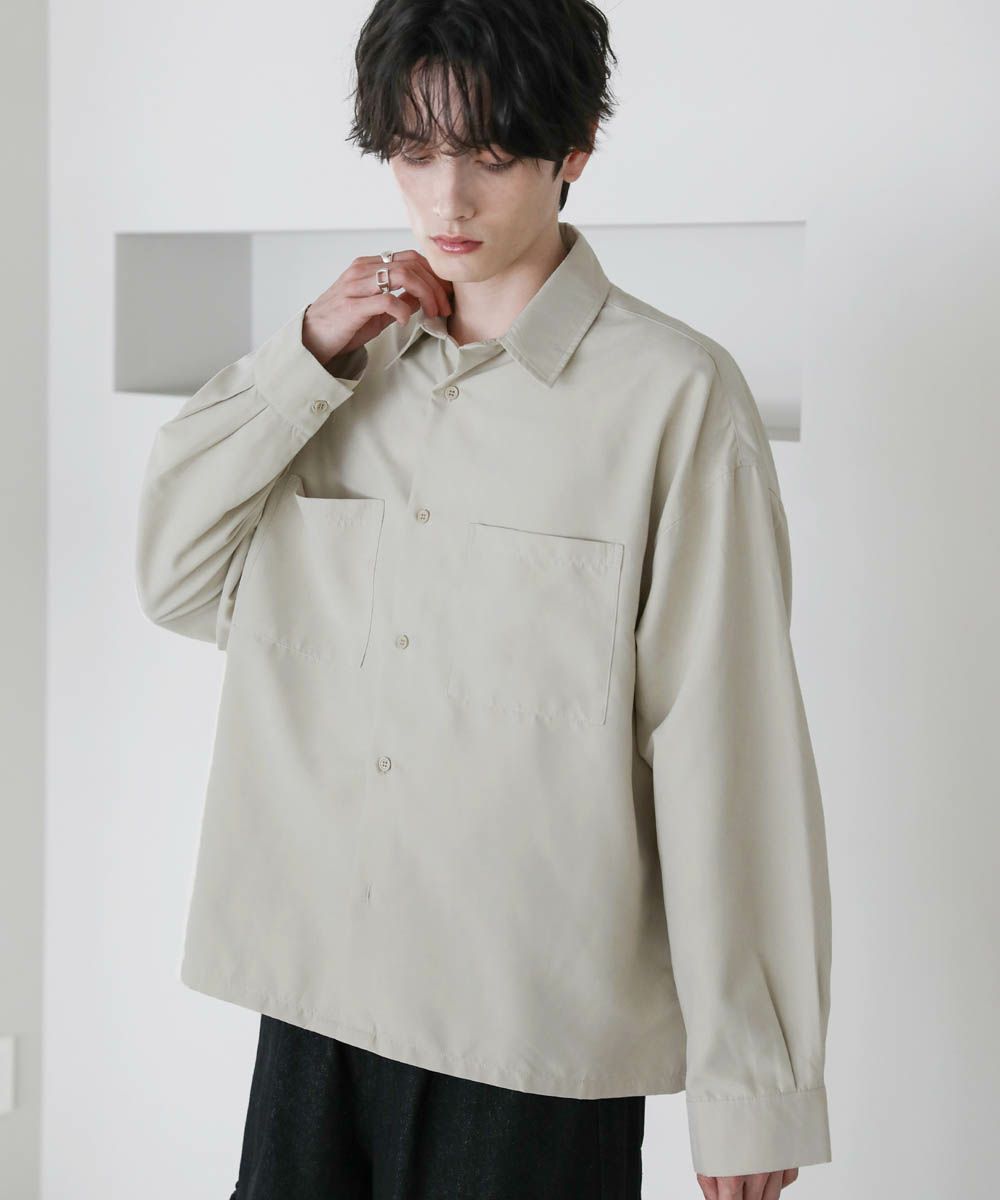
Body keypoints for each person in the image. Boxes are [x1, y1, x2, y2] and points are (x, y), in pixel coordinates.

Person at [134, 1, 833, 1197]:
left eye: (492, 154)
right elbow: (174, 577)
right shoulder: (338, 375)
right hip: (314, 1004)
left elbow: (726, 749)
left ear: (575, 151)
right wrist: (306, 355)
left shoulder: (674, 400)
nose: (447, 200)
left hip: (531, 1043)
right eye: (414, 152)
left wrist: (751, 1088)